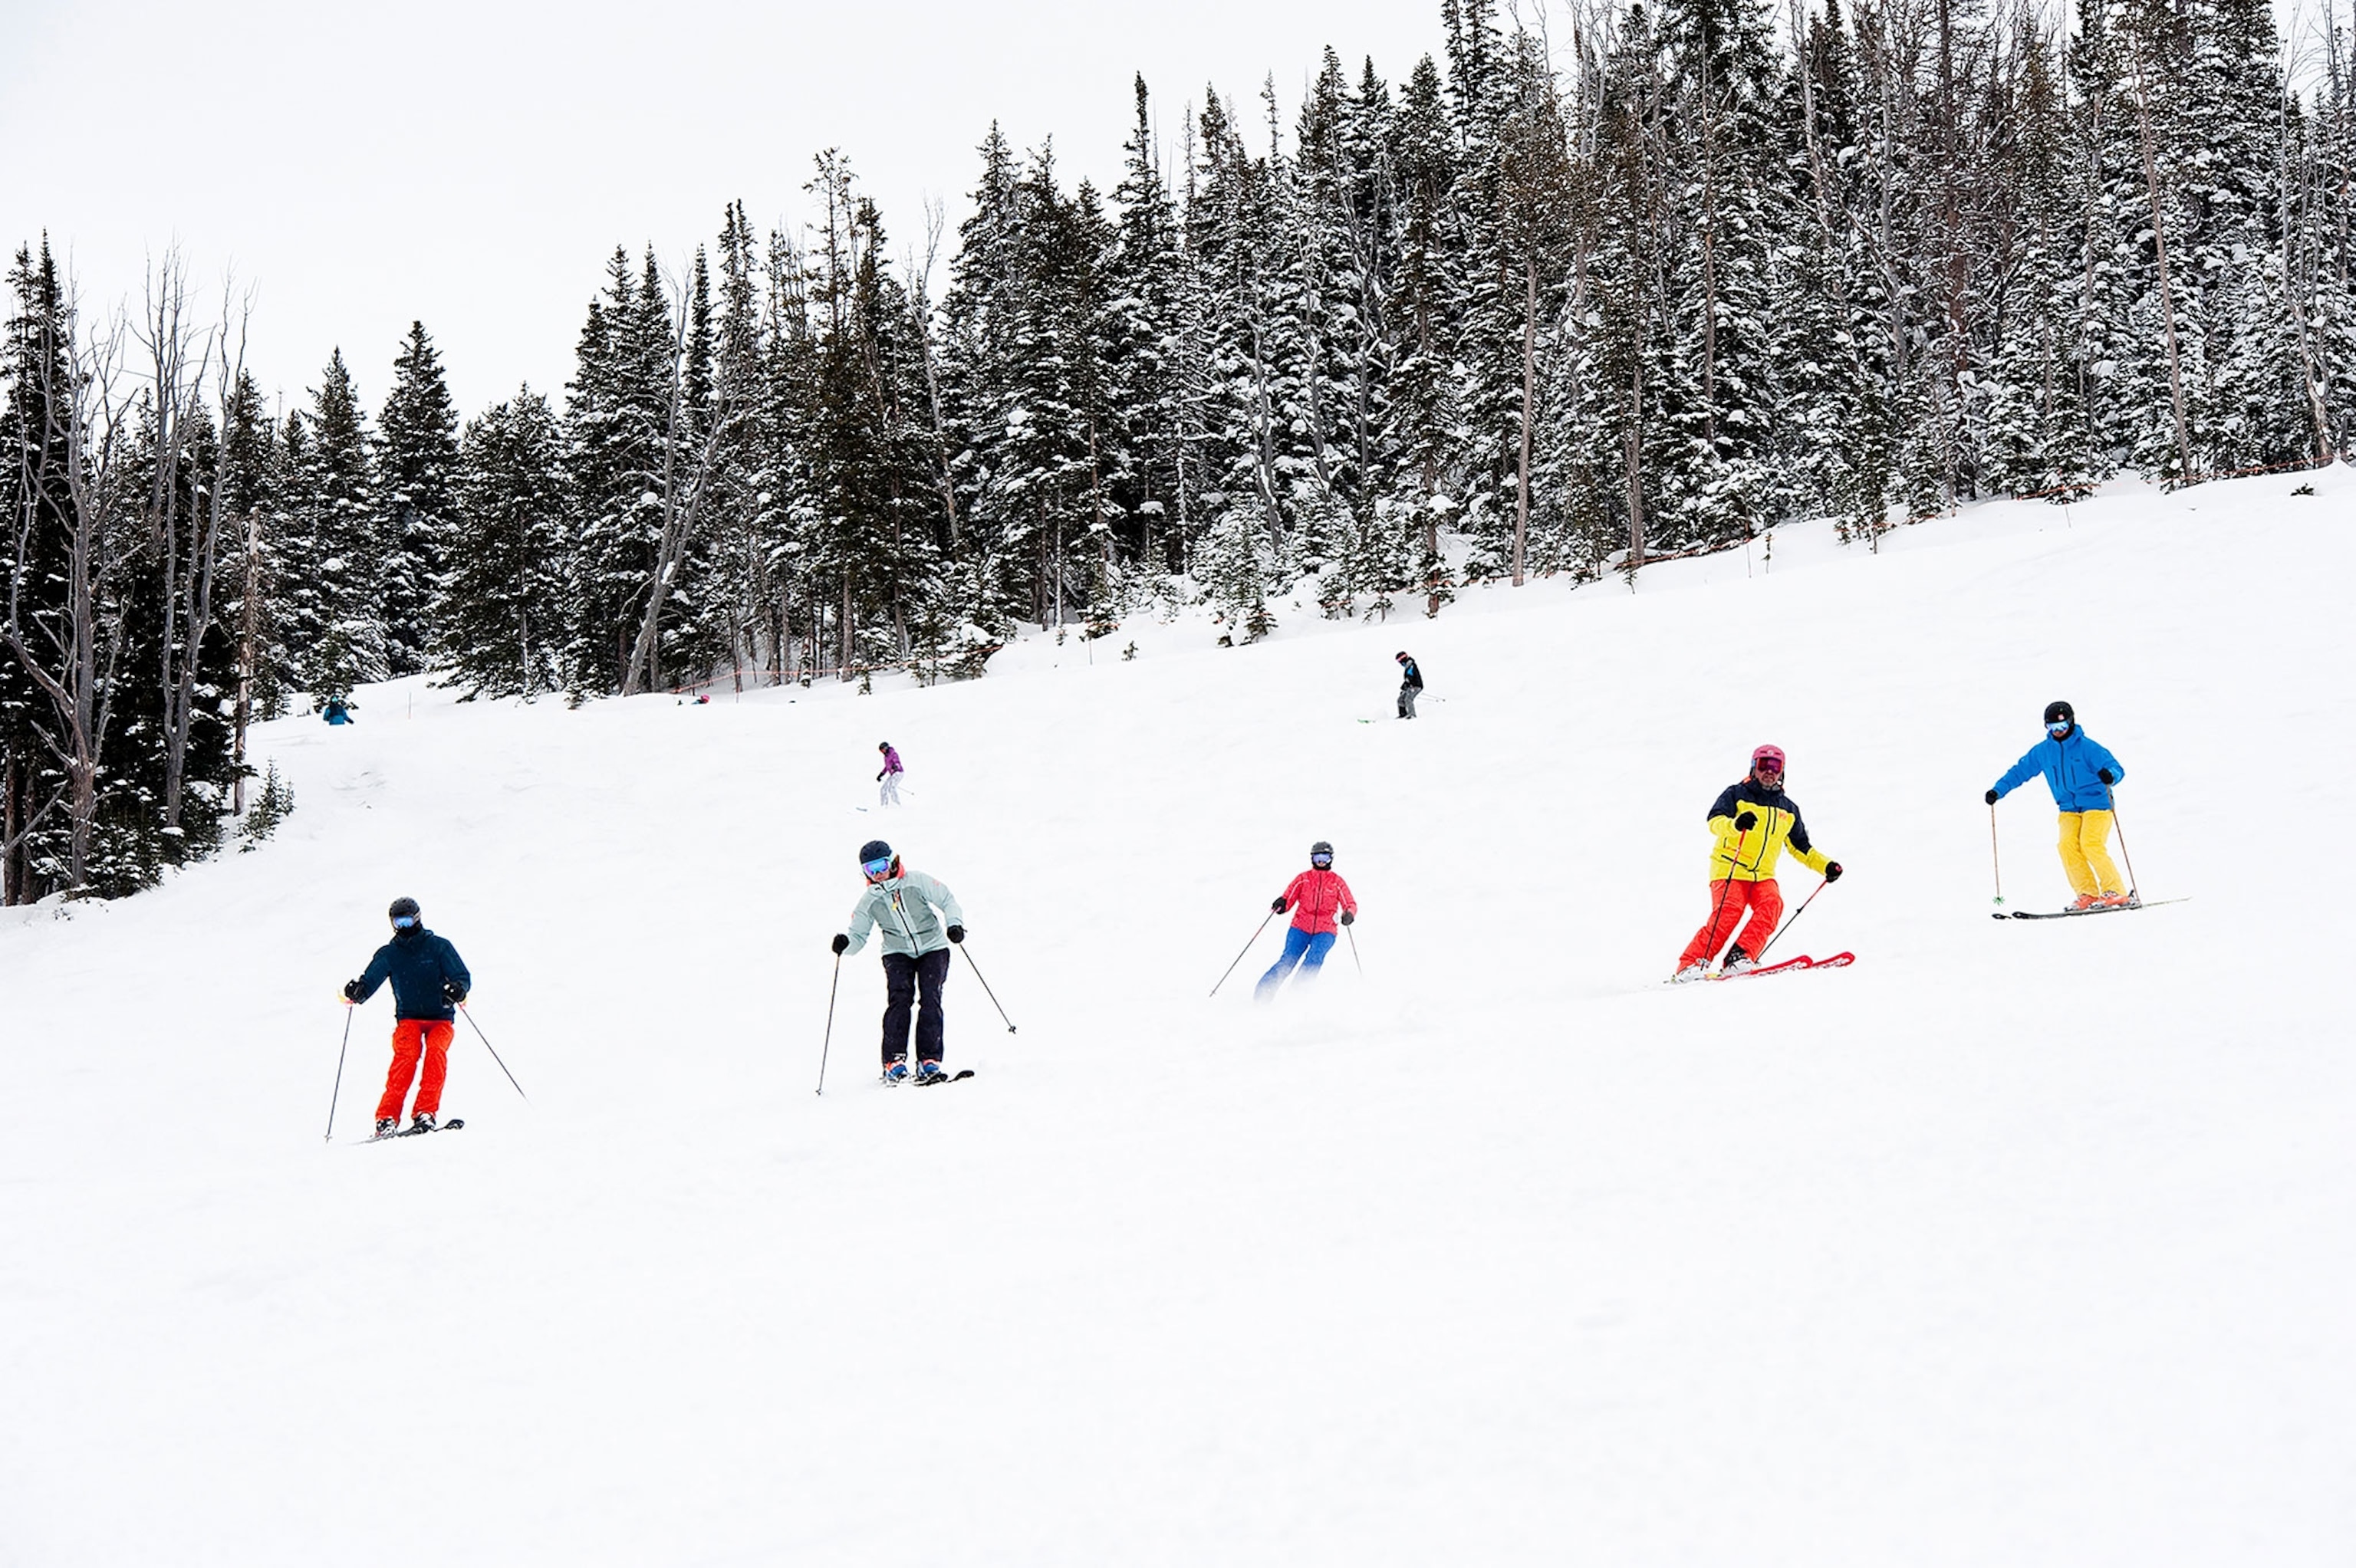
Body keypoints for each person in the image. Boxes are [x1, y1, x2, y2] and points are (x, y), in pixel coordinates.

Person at [1672, 745, 1842, 982]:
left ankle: (1739, 958)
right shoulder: (1736, 794)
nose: (1769, 771)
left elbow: (1801, 847)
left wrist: (1826, 866)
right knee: (1729, 912)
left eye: (1775, 767)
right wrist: (1736, 824)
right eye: (1763, 765)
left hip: (1762, 875)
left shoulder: (1789, 810)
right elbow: (1715, 821)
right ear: (1754, 768)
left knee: (1772, 904)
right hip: (1729, 868)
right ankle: (1690, 964)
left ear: (1782, 772)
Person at [831, 840, 966, 1083]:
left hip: (933, 946)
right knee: (900, 1000)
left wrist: (955, 925)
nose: (878, 874)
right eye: (871, 870)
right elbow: (858, 937)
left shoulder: (916, 881)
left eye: (881, 866)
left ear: (893, 861)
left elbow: (947, 900)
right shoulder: (868, 901)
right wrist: (845, 945)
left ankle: (929, 1061)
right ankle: (894, 1062)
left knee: (930, 997)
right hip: (897, 952)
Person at [342, 896, 472, 1135]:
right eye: (398, 922)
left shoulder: (439, 947)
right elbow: (371, 979)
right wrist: (359, 991)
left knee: (435, 1055)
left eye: (406, 921)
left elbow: (462, 976)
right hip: (408, 1019)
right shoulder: (390, 953)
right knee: (406, 1057)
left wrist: (457, 989)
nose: (403, 927)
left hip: (441, 1018)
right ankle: (387, 1118)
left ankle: (425, 1112)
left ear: (417, 918)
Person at [1987, 700, 2129, 910]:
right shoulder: (2043, 751)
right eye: (2053, 728)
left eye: (2062, 727)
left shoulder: (2088, 748)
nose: (2058, 732)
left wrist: (2110, 776)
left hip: (2097, 804)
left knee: (2091, 844)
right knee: (2067, 846)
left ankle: (2116, 892)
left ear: (2071, 723)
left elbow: (2115, 768)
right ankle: (2088, 894)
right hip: (2068, 808)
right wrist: (1998, 790)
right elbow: (2020, 771)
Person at [1256, 840, 1359, 1001]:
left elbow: (1349, 903)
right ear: (1312, 858)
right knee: (1288, 960)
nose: (1321, 861)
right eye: (1318, 857)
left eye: (1325, 857)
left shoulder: (1337, 882)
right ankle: (1263, 994)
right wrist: (1282, 904)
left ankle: (1296, 995)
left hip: (1326, 931)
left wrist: (1349, 914)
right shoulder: (1303, 879)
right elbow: (1288, 897)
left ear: (1331, 859)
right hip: (1300, 928)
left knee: (1315, 957)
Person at [1394, 652, 1424, 719]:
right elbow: (1408, 678)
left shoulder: (1411, 665)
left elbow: (1410, 676)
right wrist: (1405, 686)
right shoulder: (1408, 665)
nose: (1399, 663)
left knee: (1408, 699)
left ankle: (1412, 715)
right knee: (1400, 699)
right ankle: (1403, 714)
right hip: (1411, 686)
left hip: (1416, 686)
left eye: (1399, 660)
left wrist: (1406, 684)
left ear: (1403, 658)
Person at [876, 741, 904, 807]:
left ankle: (896, 804)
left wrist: (896, 766)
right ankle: (884, 805)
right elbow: (887, 767)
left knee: (892, 788)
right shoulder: (886, 757)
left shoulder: (893, 754)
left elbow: (897, 762)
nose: (882, 752)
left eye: (882, 750)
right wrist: (881, 774)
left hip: (899, 772)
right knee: (883, 789)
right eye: (880, 751)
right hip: (893, 774)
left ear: (886, 748)